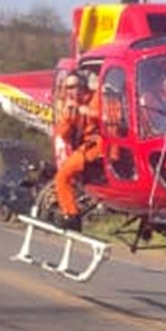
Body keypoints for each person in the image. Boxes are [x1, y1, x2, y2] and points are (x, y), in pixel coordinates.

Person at [52, 71, 101, 232]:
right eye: (68, 88)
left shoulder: (96, 99)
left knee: (62, 177)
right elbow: (62, 134)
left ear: (83, 86)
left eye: (74, 86)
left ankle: (72, 217)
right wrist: (67, 117)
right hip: (85, 148)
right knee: (62, 178)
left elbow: (105, 116)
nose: (71, 91)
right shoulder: (71, 107)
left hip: (98, 146)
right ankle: (70, 213)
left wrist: (85, 111)